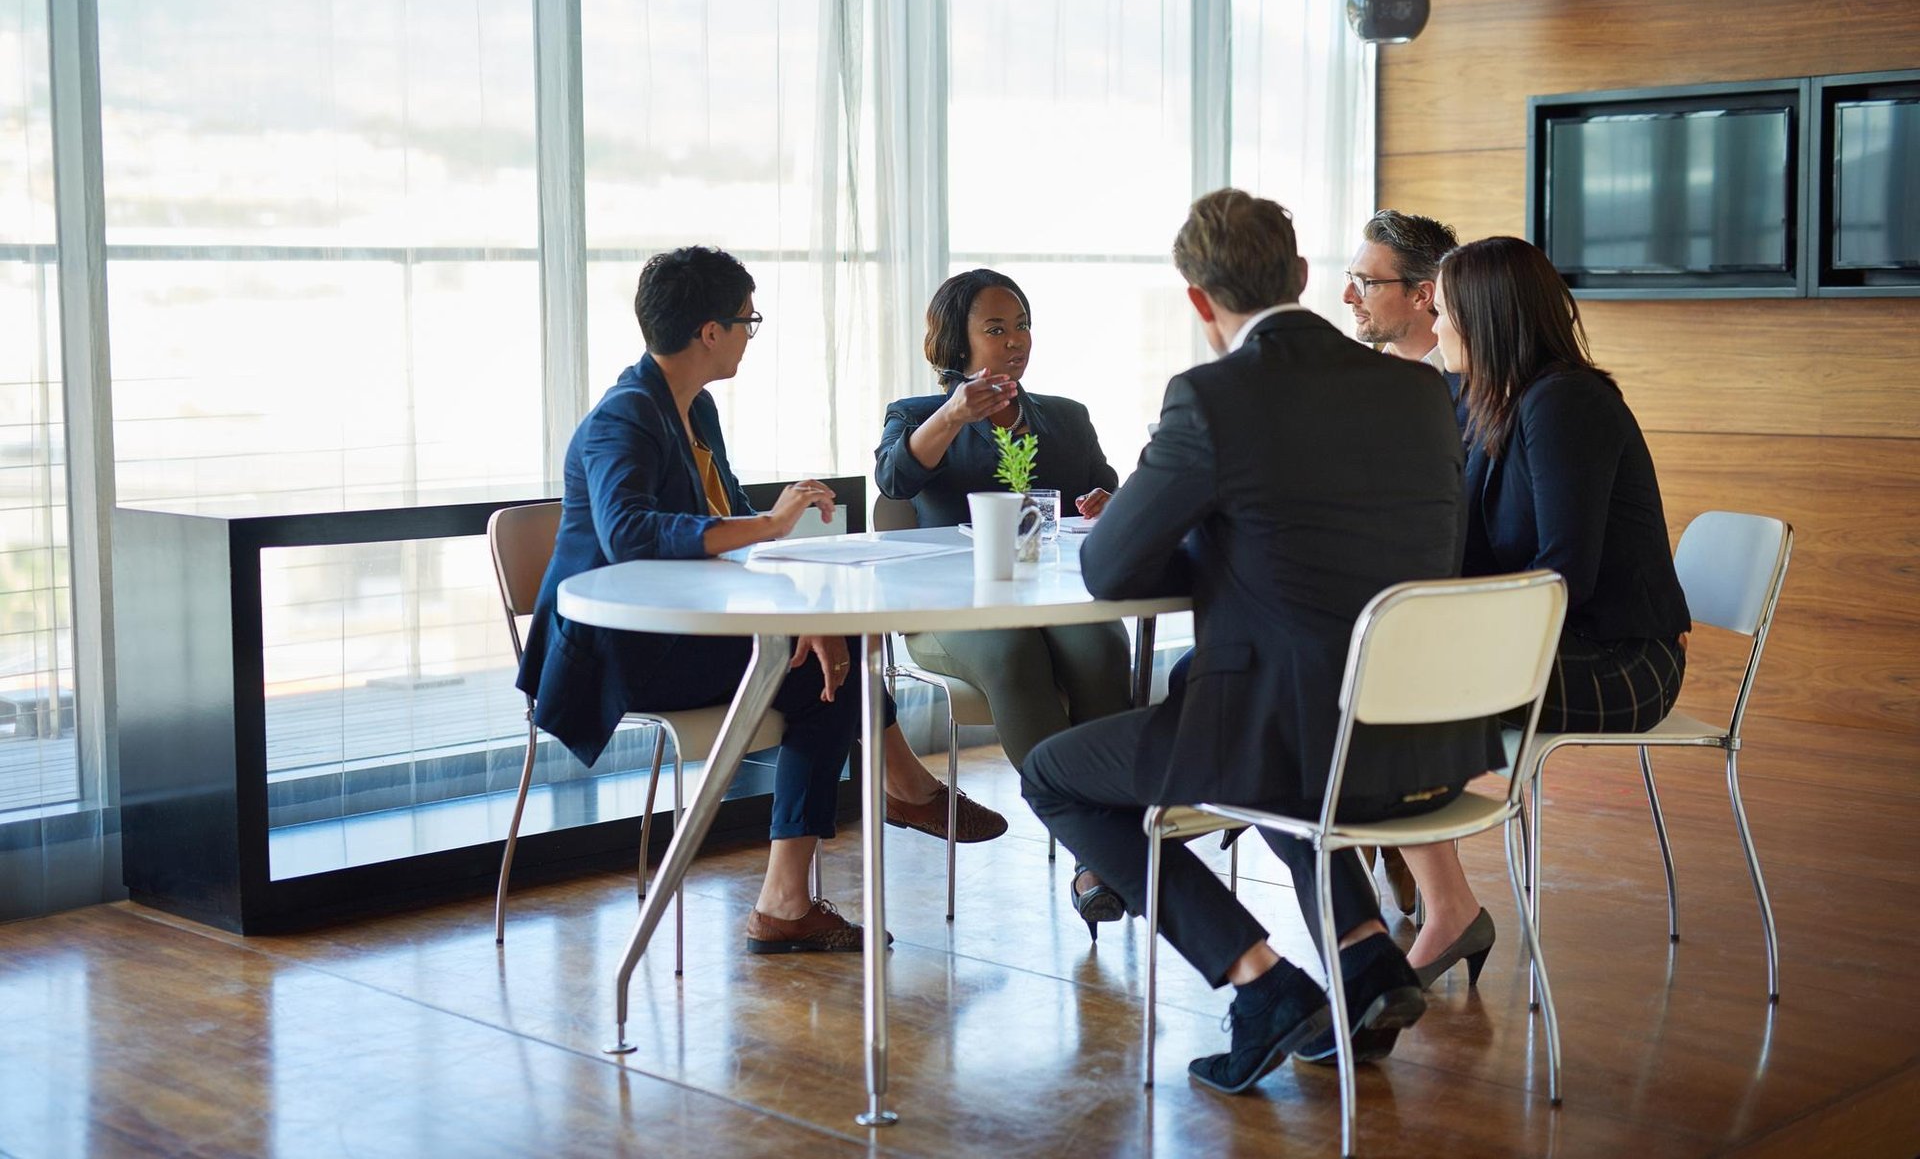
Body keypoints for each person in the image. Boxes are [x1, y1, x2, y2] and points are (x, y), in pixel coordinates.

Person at [1020, 189, 1503, 1095]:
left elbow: (1111, 569)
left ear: (1199, 300)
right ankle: (1364, 962)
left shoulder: (1209, 396)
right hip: (1422, 734)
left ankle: (1259, 979)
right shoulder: (1418, 390)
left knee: (1054, 773)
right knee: (1276, 733)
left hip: (1290, 733)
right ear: (1304, 278)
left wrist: (1191, 517)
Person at [517, 246, 1004, 955]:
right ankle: (854, 833)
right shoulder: (624, 416)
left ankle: (812, 875)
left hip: (685, 633)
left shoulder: (693, 407)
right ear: (708, 331)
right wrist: (774, 528)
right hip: (621, 650)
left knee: (827, 656)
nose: (751, 331)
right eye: (748, 318)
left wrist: (799, 612)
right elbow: (630, 533)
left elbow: (732, 528)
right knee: (823, 675)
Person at [1398, 235, 1691, 989]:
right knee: (1374, 671)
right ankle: (1441, 894)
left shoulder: (1567, 403)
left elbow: (1565, 576)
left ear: (1489, 319)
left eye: (1449, 311)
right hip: (1553, 644)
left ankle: (1442, 899)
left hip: (1625, 658)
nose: (1439, 326)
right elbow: (1464, 552)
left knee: (1394, 688)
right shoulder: (1486, 402)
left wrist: (1453, 639)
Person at [874, 268, 1133, 926]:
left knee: (1102, 642)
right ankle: (1095, 848)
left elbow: (1104, 491)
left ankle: (1105, 831)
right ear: (956, 342)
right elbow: (894, 479)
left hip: (1050, 600)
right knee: (1015, 654)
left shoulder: (1065, 416)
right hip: (950, 614)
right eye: (996, 328)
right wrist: (954, 413)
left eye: (1021, 325)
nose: (1015, 340)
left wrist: (1106, 504)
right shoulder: (914, 416)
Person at [1343, 209, 1464, 915]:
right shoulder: (1347, 385)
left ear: (1425, 295)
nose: (1349, 296)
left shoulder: (1475, 394)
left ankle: (1385, 859)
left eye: (1365, 280)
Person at [1343, 209, 1458, 368]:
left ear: (1421, 295)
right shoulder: (1353, 378)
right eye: (1351, 278)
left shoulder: (1486, 384)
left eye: (1366, 282)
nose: (1347, 296)